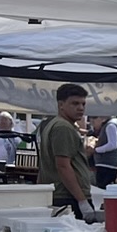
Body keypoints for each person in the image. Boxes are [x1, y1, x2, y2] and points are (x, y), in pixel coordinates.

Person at [37, 84, 95, 219]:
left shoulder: (54, 124)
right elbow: (63, 166)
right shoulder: (63, 127)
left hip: (59, 195)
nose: (80, 108)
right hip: (68, 197)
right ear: (61, 104)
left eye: (83, 104)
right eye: (75, 103)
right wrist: (82, 201)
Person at [91, 115, 117, 188]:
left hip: (107, 164)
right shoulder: (111, 124)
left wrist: (96, 150)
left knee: (103, 189)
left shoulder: (111, 125)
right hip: (107, 164)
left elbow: (113, 144)